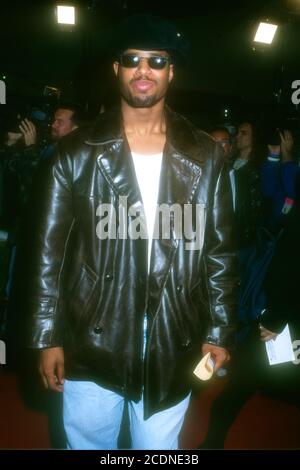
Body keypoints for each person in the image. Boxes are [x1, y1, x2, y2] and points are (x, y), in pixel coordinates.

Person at [22, 14, 237, 450]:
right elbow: (48, 253)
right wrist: (48, 336)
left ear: (171, 72)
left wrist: (219, 329)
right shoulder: (75, 154)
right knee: (87, 445)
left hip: (172, 333)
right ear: (116, 69)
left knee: (158, 450)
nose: (144, 70)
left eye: (157, 60)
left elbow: (219, 249)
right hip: (92, 332)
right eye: (132, 59)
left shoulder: (207, 155)